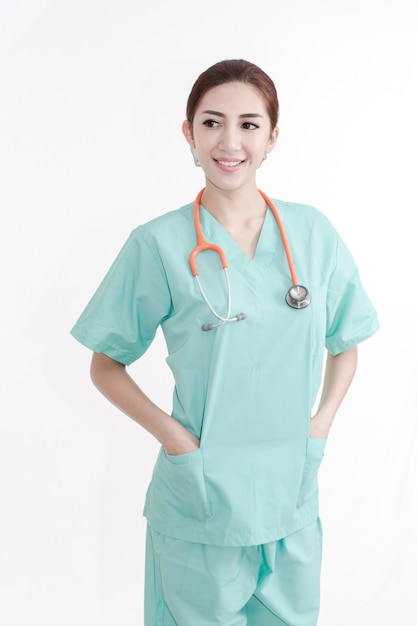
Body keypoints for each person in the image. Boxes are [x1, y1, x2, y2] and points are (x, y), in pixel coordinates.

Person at [71, 59, 379, 626]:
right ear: (189, 133)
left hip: (290, 496)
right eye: (212, 123)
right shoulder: (158, 244)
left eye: (249, 124)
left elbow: (348, 340)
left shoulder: (312, 233)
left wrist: (320, 425)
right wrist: (177, 439)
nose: (229, 142)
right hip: (201, 501)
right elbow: (105, 364)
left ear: (272, 137)